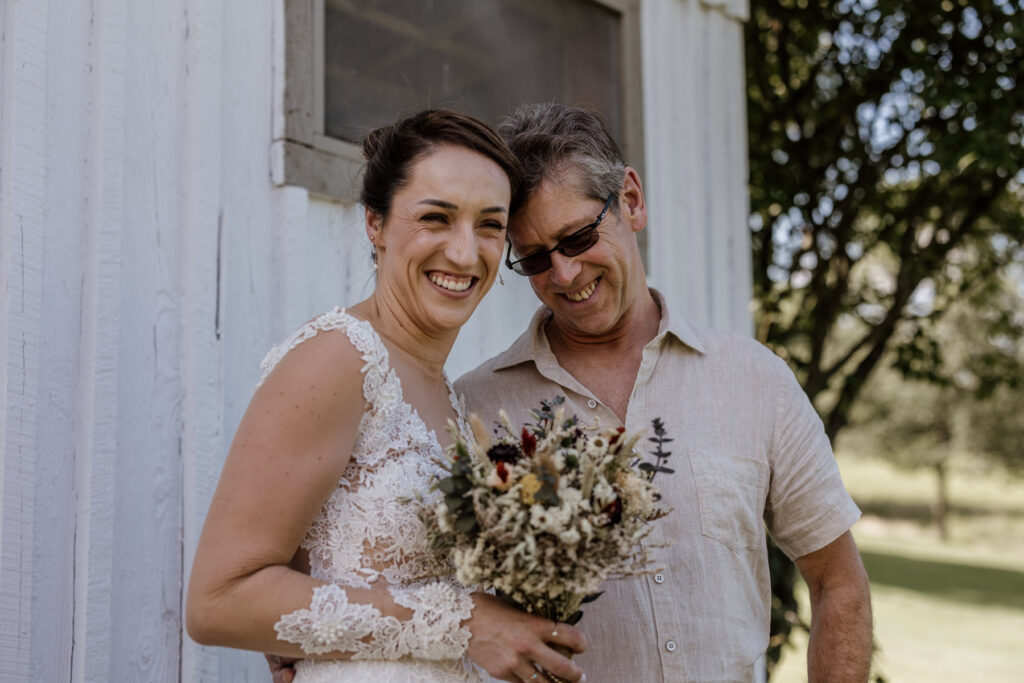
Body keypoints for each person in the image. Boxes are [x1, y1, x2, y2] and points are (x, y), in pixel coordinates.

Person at [452, 103, 873, 681]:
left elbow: (838, 583)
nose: (565, 275)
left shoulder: (755, 379)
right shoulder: (474, 408)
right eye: (534, 258)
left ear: (630, 199)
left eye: (577, 237)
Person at [187, 109, 588, 683]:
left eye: (490, 225)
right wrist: (464, 622)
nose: (463, 251)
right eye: (436, 217)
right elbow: (217, 601)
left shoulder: (450, 400)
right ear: (375, 223)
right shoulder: (337, 359)